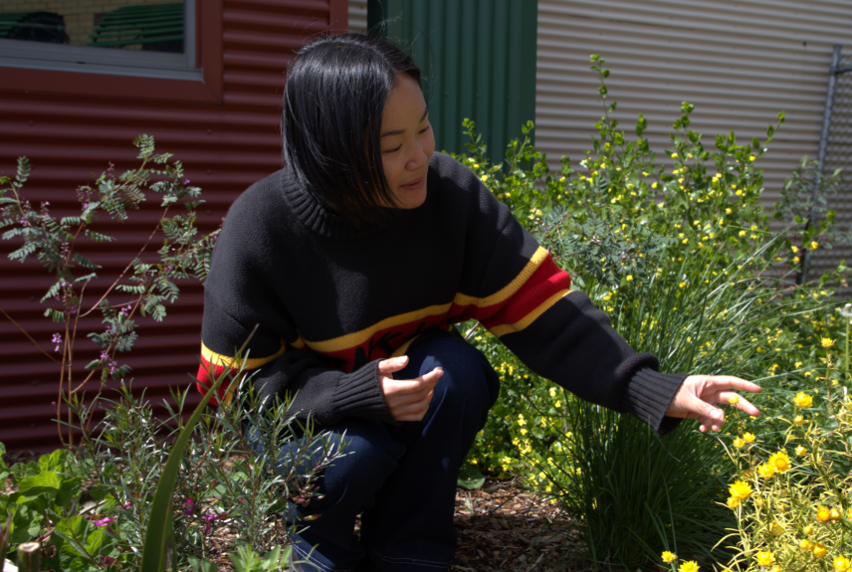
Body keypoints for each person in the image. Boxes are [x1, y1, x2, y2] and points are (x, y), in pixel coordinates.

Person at [196, 32, 761, 572]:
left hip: (404, 397)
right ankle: (321, 547)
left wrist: (653, 388)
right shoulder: (262, 228)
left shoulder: (450, 201)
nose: (420, 155)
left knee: (458, 372)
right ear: (331, 155)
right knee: (355, 455)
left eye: (423, 129)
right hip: (307, 425)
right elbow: (232, 390)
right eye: (392, 146)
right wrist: (351, 395)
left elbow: (546, 313)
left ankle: (408, 549)